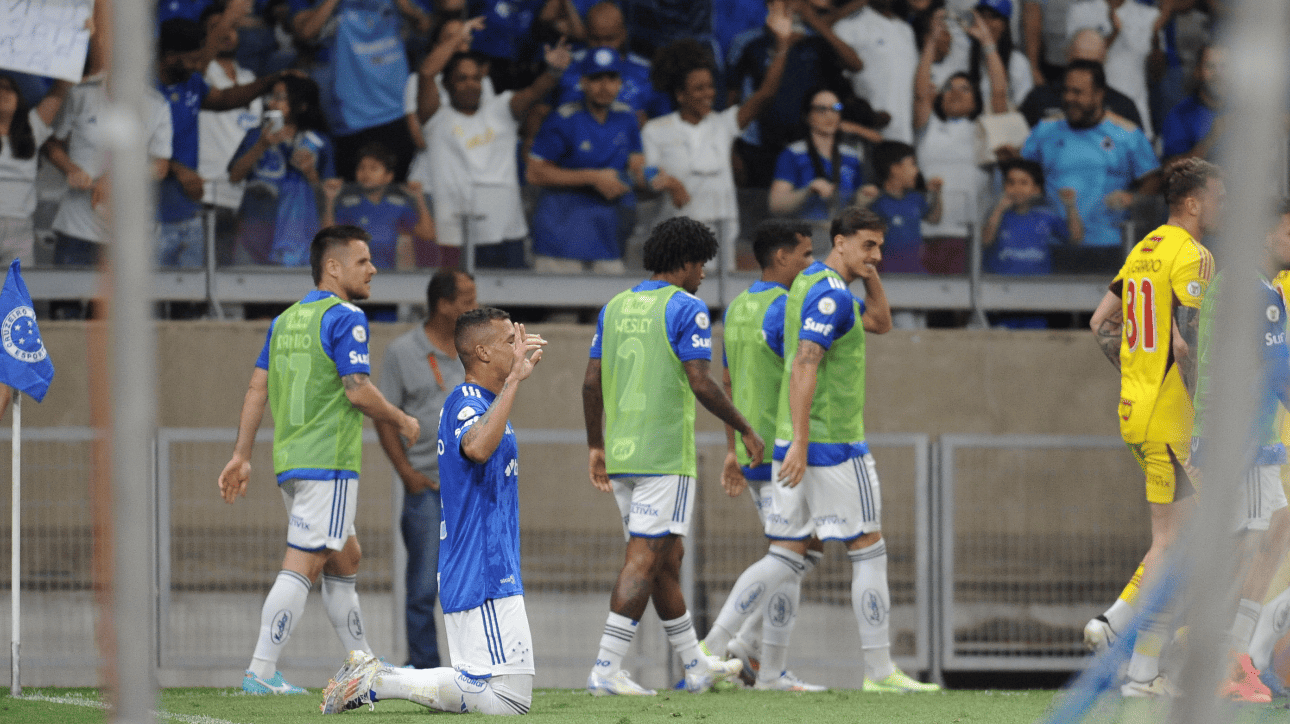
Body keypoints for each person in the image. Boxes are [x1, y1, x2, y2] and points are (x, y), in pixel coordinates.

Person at [217, 225, 420, 694]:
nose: (373, 269)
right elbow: (358, 390)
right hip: (328, 460)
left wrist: (242, 455)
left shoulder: (284, 321)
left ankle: (363, 661)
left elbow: (256, 388)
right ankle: (261, 671)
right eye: (363, 260)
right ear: (333, 266)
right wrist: (401, 419)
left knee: (345, 556)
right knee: (305, 562)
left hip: (291, 460)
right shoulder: (346, 316)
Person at [321, 307, 546, 716]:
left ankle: (378, 678)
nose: (519, 347)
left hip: (492, 565)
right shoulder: (464, 402)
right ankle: (378, 679)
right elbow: (476, 448)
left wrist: (511, 386)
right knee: (508, 700)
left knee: (503, 698)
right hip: (482, 568)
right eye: (509, 341)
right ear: (481, 351)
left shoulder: (490, 403)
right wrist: (515, 381)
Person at [583, 217, 760, 696]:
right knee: (643, 559)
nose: (703, 273)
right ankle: (605, 668)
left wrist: (596, 445)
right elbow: (701, 380)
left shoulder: (615, 306)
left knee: (666, 558)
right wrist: (744, 427)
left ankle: (695, 664)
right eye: (701, 264)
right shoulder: (688, 307)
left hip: (621, 452)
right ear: (685, 262)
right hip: (663, 456)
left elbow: (590, 382)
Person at [772, 205, 937, 693]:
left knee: (788, 555)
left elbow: (881, 323)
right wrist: (803, 443)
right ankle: (880, 672)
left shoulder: (810, 284)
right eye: (867, 245)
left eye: (881, 247)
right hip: (834, 443)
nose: (878, 255)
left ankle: (738, 653)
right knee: (868, 548)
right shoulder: (830, 295)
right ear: (839, 241)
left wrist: (870, 276)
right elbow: (806, 364)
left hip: (803, 437)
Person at [1086, 158, 1221, 698]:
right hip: (1173, 417)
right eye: (1218, 196)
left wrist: (1137, 374)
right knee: (1180, 542)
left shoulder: (1142, 250)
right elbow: (1188, 344)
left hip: (1134, 410)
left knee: (1179, 545)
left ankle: (1142, 675)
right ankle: (1115, 620)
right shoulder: (1195, 256)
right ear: (1193, 202)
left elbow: (1101, 323)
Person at [700, 219, 825, 691]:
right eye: (805, 255)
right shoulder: (788, 308)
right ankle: (714, 648)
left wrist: (733, 447)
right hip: (782, 449)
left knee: (804, 549)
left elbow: (729, 384)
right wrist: (799, 443)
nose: (810, 264)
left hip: (751, 446)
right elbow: (802, 376)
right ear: (780, 258)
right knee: (790, 551)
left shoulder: (737, 307)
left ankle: (761, 664)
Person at [1190, 202, 1290, 704]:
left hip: (1230, 437)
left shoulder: (1226, 285)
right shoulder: (1258, 295)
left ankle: (1234, 655)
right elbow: (1280, 374)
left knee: (1272, 533)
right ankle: (1221, 664)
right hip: (1246, 442)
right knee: (1249, 544)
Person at [375, 270, 477, 671]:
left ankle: (471, 668)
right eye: (467, 299)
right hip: (427, 486)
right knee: (422, 587)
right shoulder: (403, 351)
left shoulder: (474, 347)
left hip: (470, 488)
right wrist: (405, 474)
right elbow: (384, 418)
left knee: (471, 584)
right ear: (444, 305)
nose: (474, 306)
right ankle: (426, 670)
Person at [641, 9, 794, 258]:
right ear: (680, 95)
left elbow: (765, 95)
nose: (709, 94)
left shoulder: (723, 125)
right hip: (676, 245)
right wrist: (667, 182)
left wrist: (782, 44)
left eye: (711, 87)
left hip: (721, 245)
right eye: (699, 88)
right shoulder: (655, 130)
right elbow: (647, 173)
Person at [417, 37, 572, 269]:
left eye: (476, 78)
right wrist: (458, 34)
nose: (471, 84)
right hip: (455, 235)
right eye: (462, 78)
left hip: (506, 232)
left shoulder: (502, 108)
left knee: (509, 305)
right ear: (447, 84)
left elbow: (535, 91)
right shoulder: (435, 119)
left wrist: (553, 71)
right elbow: (427, 72)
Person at [156, 15, 287, 268]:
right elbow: (126, 150)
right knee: (148, 297)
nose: (198, 66)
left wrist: (269, 81)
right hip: (149, 214)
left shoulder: (191, 82)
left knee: (191, 296)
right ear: (170, 56)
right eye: (193, 59)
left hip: (189, 208)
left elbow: (224, 99)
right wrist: (178, 169)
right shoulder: (142, 91)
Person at [1020, 59, 1159, 273]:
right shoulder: (1045, 130)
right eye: (1065, 91)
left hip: (1108, 245)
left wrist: (1132, 198)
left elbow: (1152, 179)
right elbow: (1022, 172)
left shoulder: (1126, 134)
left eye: (1077, 92)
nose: (1068, 98)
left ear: (1099, 94)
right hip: (1051, 243)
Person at [527, 49, 649, 273]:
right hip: (560, 238)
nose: (604, 86)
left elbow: (637, 170)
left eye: (611, 78)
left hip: (607, 238)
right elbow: (534, 173)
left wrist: (657, 178)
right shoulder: (563, 118)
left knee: (610, 308)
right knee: (563, 309)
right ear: (583, 82)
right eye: (596, 78)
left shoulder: (627, 118)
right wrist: (592, 177)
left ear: (621, 82)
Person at [727, 0, 858, 188]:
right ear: (771, 5)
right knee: (764, 210)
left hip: (809, 145)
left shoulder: (815, 41)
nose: (793, 5)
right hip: (759, 148)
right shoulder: (748, 42)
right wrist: (732, 151)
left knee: (808, 206)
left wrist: (814, 21)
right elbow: (732, 98)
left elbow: (854, 64)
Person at [288, 0, 418, 180]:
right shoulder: (325, 6)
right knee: (354, 198)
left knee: (396, 198)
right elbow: (306, 32)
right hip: (353, 119)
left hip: (398, 112)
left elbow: (426, 25)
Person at [228, 74, 336, 265]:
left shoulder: (318, 142)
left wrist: (310, 172)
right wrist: (261, 145)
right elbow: (235, 176)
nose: (272, 103)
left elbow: (328, 194)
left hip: (298, 235)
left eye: (280, 98)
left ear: (301, 105)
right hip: (255, 228)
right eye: (271, 97)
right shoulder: (256, 135)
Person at [197, 2, 264, 266]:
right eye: (216, 28)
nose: (226, 33)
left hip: (243, 198)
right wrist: (229, 17)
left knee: (234, 279)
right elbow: (199, 64)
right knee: (199, 280)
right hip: (205, 194)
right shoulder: (200, 77)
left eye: (233, 27)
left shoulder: (251, 79)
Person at [322, 143, 434, 270]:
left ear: (388, 176)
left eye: (373, 168)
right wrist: (329, 199)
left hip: (390, 277)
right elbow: (328, 239)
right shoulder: (348, 206)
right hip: (356, 276)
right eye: (361, 168)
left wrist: (419, 198)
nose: (366, 173)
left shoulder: (398, 206)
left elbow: (427, 234)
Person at [768, 88, 865, 229]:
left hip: (841, 237)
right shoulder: (792, 153)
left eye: (836, 108)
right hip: (805, 237)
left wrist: (864, 198)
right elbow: (775, 206)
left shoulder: (851, 156)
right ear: (807, 116)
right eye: (821, 109)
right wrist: (807, 191)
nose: (829, 115)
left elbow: (855, 205)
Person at [0, 74, 71, 266]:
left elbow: (60, 90)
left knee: (15, 295)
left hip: (20, 229)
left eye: (10, 89)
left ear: (19, 99)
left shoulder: (31, 129)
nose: (4, 93)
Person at [1065, 0, 1162, 139]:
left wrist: (1156, 45)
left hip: (1134, 114)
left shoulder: (1150, 15)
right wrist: (1114, 32)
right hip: (1088, 114)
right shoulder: (1080, 11)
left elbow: (1157, 74)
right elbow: (1075, 61)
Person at [832, 0, 919, 144]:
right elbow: (837, 86)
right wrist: (863, 116)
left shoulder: (906, 30)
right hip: (867, 136)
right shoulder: (846, 27)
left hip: (907, 136)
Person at [1018, 29, 1142, 128]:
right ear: (1067, 55)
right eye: (1079, 63)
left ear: (1104, 61)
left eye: (1092, 65)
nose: (1084, 71)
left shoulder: (1123, 106)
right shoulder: (1039, 98)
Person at [981, 158, 1082, 276]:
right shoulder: (997, 216)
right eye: (1011, 182)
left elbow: (1075, 239)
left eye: (1023, 183)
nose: (1016, 189)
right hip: (1001, 284)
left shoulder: (1046, 217)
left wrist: (1070, 206)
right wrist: (998, 210)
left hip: (1037, 284)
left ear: (1036, 189)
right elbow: (985, 241)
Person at [862, 141, 942, 275]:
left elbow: (934, 219)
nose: (916, 170)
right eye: (912, 164)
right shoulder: (877, 202)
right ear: (895, 168)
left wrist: (937, 194)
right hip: (887, 274)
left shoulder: (915, 198)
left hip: (917, 271)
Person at [1160, 44, 1223, 164]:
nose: (1218, 73)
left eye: (1224, 66)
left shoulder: (1246, 109)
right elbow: (1169, 170)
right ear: (1197, 71)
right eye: (1210, 66)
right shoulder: (1180, 115)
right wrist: (1211, 139)